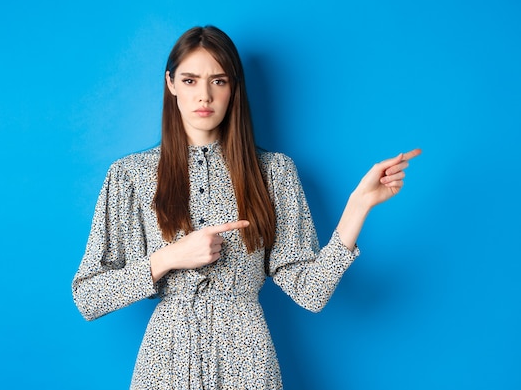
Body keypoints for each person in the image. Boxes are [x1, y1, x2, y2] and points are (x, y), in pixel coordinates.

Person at [72, 25, 421, 390]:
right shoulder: (130, 176)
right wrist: (169, 257)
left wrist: (358, 206)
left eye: (218, 81)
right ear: (171, 83)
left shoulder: (274, 172)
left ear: (234, 87)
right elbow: (88, 297)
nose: (204, 96)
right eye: (190, 81)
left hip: (247, 358)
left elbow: (311, 293)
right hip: (166, 360)